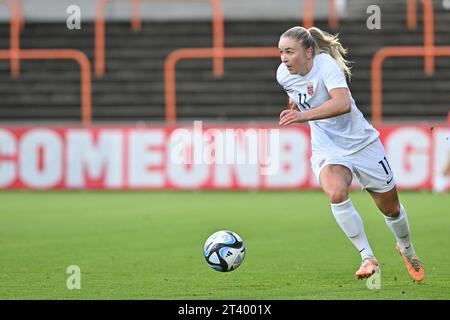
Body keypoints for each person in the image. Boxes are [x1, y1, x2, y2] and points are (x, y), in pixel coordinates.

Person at [277, 26, 424, 282]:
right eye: (281, 52)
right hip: (328, 147)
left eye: (289, 52)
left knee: (391, 209)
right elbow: (298, 95)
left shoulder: (326, 66)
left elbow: (342, 104)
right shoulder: (283, 75)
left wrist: (303, 115)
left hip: (362, 144)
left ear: (308, 52)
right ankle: (367, 257)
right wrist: (296, 105)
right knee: (336, 192)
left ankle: (407, 248)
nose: (284, 58)